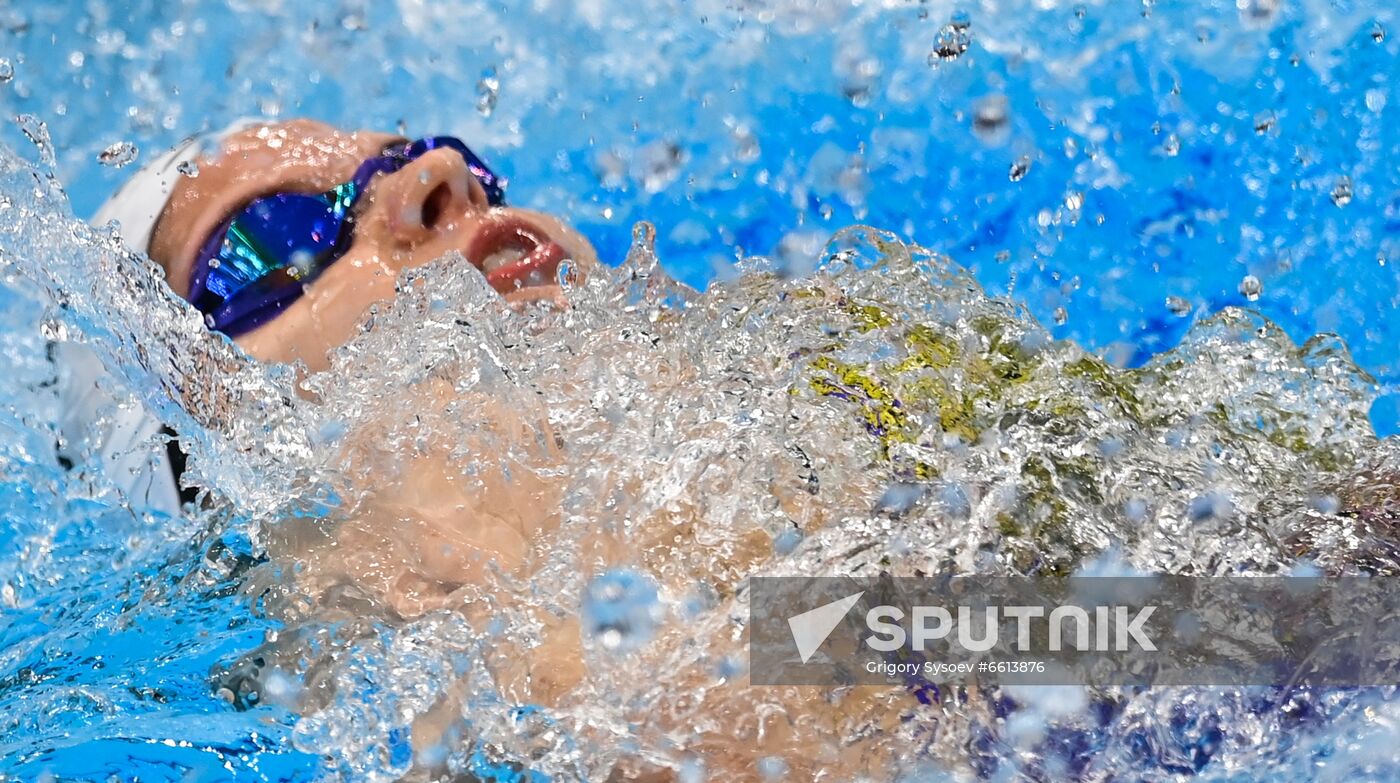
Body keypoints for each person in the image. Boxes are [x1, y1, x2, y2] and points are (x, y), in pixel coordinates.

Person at [75, 119, 901, 781]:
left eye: (444, 157)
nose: (438, 177)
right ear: (223, 487)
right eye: (271, 236)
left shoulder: (887, 484)